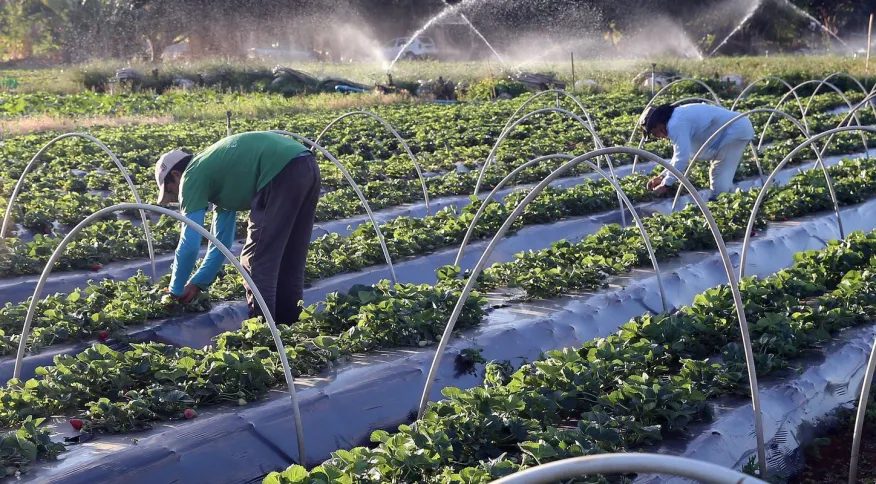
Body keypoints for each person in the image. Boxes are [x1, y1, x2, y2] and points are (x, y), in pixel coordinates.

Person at [154, 131, 321, 323]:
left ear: (176, 175)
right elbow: (221, 244)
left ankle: (264, 330)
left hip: (279, 171)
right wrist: (197, 283)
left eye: (171, 191)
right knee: (290, 256)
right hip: (306, 163)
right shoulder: (216, 174)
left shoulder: (191, 176)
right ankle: (287, 326)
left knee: (255, 260)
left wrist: (174, 291)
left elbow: (190, 244)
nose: (176, 198)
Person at [639, 103, 755, 197]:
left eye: (654, 133)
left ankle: (721, 204)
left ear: (658, 124)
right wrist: (662, 177)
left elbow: (682, 158)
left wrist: (666, 185)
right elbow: (678, 156)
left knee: (719, 174)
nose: (658, 137)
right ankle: (728, 199)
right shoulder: (677, 117)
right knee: (722, 174)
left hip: (735, 131)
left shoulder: (675, 125)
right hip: (734, 129)